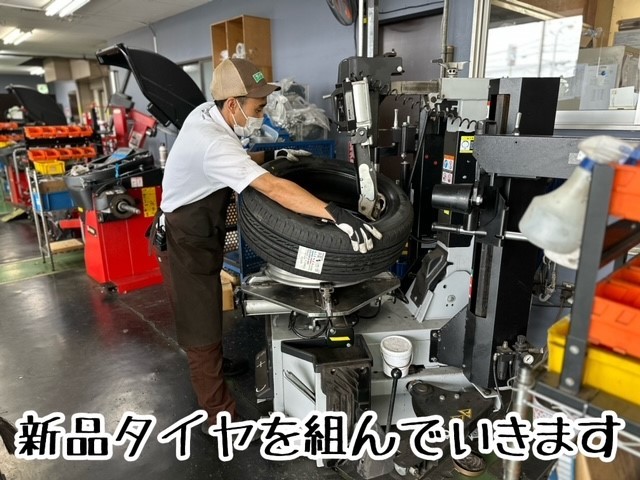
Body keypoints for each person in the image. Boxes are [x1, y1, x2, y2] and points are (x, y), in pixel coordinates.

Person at [158, 58, 382, 428]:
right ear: (233, 104)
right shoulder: (212, 142)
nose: (261, 116)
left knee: (208, 307)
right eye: (258, 108)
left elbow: (236, 160)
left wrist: (270, 156)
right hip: (184, 239)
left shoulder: (208, 112)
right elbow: (273, 188)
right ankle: (218, 415)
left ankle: (215, 363)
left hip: (200, 230)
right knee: (200, 325)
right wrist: (334, 214)